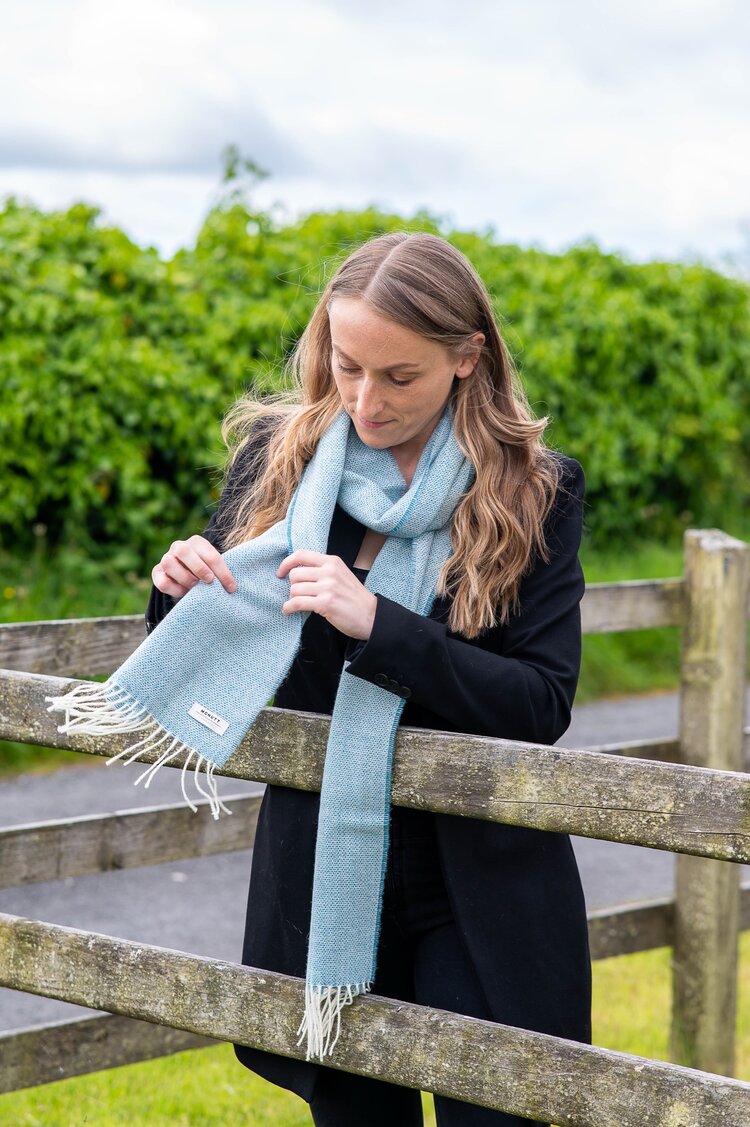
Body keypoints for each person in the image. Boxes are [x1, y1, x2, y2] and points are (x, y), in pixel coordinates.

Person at [145, 231, 591, 1126]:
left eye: (399, 377)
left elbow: (540, 704)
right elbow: (233, 645)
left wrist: (380, 625)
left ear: (468, 359)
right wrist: (177, 591)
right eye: (348, 366)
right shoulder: (279, 461)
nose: (365, 399)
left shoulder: (533, 489)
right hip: (325, 880)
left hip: (482, 888)